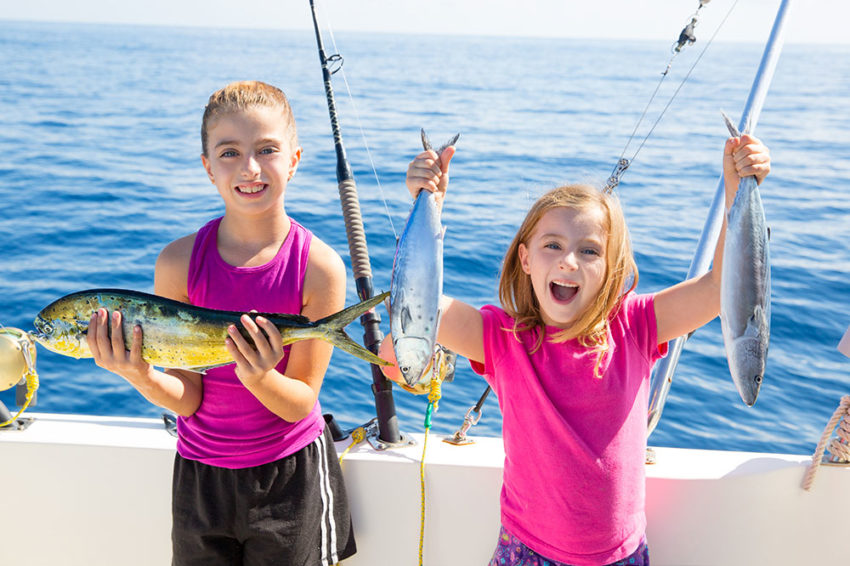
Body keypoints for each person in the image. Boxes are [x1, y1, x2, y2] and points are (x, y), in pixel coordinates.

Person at [381, 133, 770, 565]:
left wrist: (737, 188)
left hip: (620, 557)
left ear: (611, 269)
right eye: (553, 245)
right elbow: (416, 309)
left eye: (589, 250)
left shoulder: (637, 326)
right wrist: (427, 203)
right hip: (525, 551)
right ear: (525, 259)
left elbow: (719, 288)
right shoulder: (502, 338)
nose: (569, 261)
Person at [87, 80, 357, 566]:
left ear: (294, 159)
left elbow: (299, 403)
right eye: (230, 152)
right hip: (200, 477)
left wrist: (260, 377)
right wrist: (139, 373)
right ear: (207, 166)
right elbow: (189, 396)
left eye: (267, 149)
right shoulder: (177, 262)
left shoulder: (319, 267)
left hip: (290, 476)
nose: (250, 168)